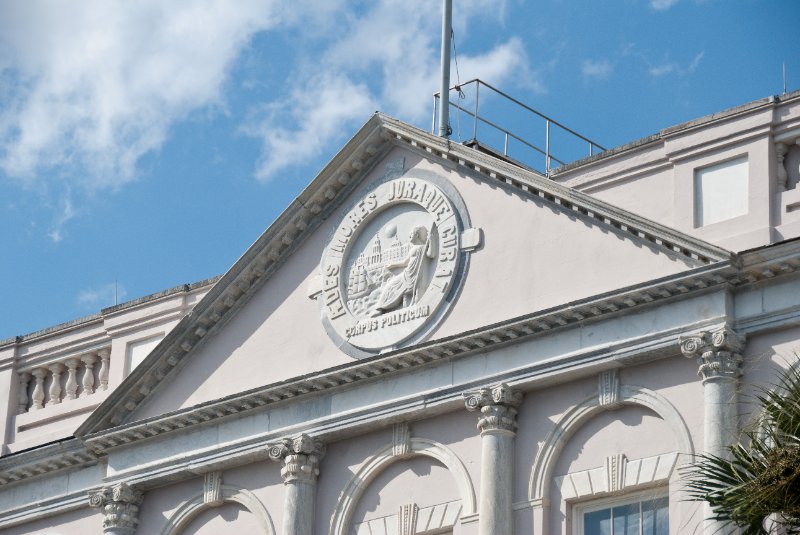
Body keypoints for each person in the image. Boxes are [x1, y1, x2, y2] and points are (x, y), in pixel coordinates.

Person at [370, 226, 428, 316]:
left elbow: (431, 254)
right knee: (390, 286)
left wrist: (432, 240)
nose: (409, 236)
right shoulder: (413, 249)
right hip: (407, 274)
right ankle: (380, 308)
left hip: (414, 276)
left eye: (411, 234)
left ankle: (380, 308)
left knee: (391, 286)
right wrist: (393, 265)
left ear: (417, 235)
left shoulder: (423, 248)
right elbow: (405, 262)